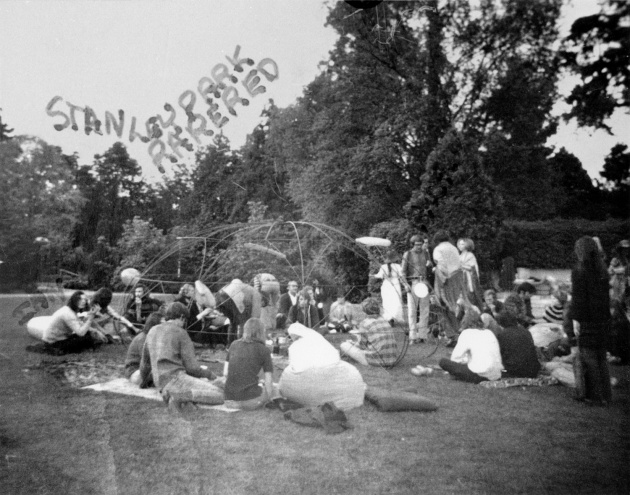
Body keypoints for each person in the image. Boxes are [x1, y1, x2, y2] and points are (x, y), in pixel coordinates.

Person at [139, 302, 224, 412]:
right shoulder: (181, 333)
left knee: (202, 387)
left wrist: (144, 382)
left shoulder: (152, 330)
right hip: (176, 379)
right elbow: (192, 368)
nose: (184, 324)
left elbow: (145, 362)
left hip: (160, 383)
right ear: (182, 317)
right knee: (220, 394)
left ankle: (179, 397)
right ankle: (180, 397)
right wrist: (210, 375)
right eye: (185, 321)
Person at [566, 236, 612, 405]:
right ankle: (606, 394)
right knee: (601, 358)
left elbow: (578, 299)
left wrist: (574, 319)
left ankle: (595, 396)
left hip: (587, 319)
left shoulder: (579, 271)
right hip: (602, 319)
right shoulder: (602, 270)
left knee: (589, 358)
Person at [220, 318, 274, 410]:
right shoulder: (264, 350)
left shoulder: (233, 344)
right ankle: (242, 405)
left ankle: (238, 403)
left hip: (229, 395)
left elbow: (225, 373)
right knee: (272, 389)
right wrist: (270, 399)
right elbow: (268, 380)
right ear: (261, 332)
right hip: (249, 397)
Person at [40, 291, 107, 354]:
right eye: (80, 299)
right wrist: (91, 317)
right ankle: (89, 350)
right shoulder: (68, 314)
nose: (83, 301)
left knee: (88, 334)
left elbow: (80, 324)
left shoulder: (70, 310)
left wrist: (96, 331)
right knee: (87, 338)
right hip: (53, 345)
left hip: (57, 340)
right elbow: (81, 333)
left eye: (84, 299)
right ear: (74, 300)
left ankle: (91, 348)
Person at [432, 230, 470, 342]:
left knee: (440, 307)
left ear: (437, 240)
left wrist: (439, 274)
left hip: (446, 279)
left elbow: (442, 265)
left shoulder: (438, 249)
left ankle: (452, 335)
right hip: (457, 278)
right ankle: (457, 332)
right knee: (451, 307)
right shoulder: (454, 248)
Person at [339, 298, 398, 367]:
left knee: (344, 345)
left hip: (375, 361)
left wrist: (353, 344)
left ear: (364, 310)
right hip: (392, 360)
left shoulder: (364, 323)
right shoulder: (384, 321)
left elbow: (362, 346)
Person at [438, 326, 503, 383]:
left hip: (479, 374)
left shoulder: (467, 333)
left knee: (443, 362)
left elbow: (455, 357)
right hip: (496, 375)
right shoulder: (489, 332)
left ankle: (458, 376)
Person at [401, 234, 432, 343]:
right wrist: (405, 285)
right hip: (413, 282)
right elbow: (403, 272)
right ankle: (413, 336)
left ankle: (423, 336)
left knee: (425, 310)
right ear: (412, 244)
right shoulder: (408, 254)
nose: (419, 247)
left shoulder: (426, 253)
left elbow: (429, 269)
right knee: (412, 311)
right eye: (417, 245)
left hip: (423, 282)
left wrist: (430, 265)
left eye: (421, 244)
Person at [494, 312, 541, 378]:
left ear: (501, 323)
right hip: (532, 370)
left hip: (514, 371)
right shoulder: (526, 331)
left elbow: (499, 354)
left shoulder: (502, 334)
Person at [124, 312, 164, 386]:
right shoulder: (143, 338)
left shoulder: (156, 337)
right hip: (135, 371)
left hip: (147, 369)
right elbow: (147, 362)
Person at [373, 250, 405, 325]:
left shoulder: (383, 267)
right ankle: (394, 316)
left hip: (386, 285)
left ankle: (389, 317)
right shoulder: (398, 266)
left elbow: (379, 275)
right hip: (395, 284)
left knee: (387, 301)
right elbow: (401, 276)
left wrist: (373, 275)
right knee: (396, 301)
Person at [457, 238, 484, 309]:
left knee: (470, 294)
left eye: (462, 244)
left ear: (467, 245)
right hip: (461, 278)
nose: (460, 246)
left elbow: (473, 268)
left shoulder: (470, 255)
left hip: (469, 278)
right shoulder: (459, 256)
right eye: (459, 244)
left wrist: (462, 266)